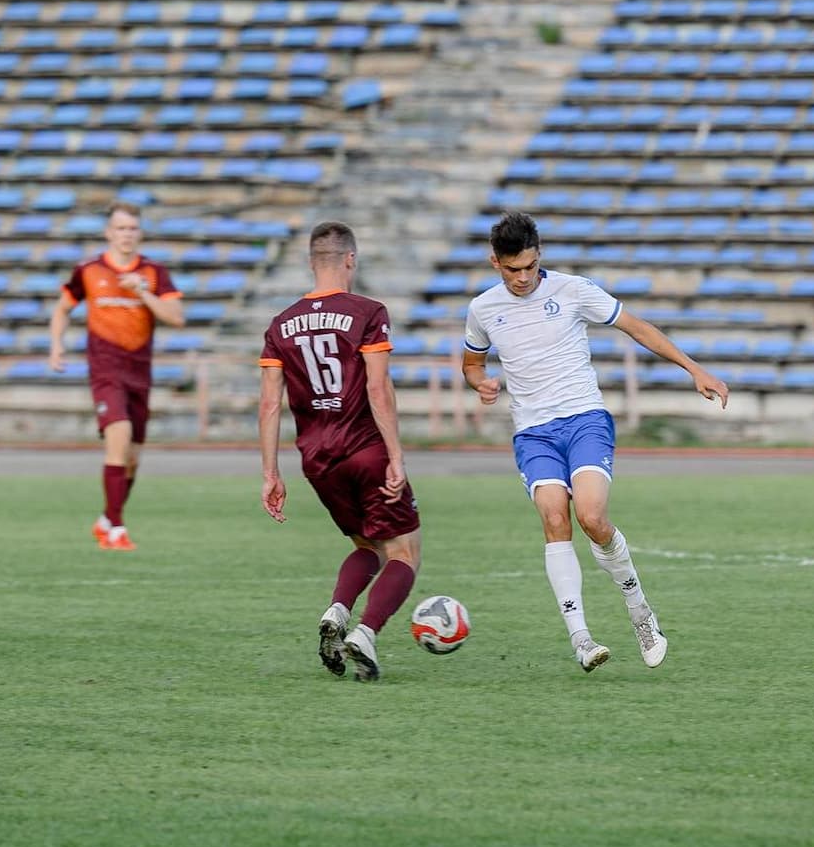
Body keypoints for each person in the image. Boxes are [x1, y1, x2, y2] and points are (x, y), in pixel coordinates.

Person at [460, 212, 729, 672]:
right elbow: (472, 363)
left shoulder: (572, 290)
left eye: (528, 266)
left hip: (584, 419)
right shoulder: (483, 309)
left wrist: (694, 368)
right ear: (494, 263)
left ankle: (640, 610)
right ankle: (581, 638)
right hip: (533, 432)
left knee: (591, 517)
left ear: (539, 255)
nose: (522, 277)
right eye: (512, 270)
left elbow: (637, 327)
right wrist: (480, 382)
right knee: (553, 517)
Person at [258, 221, 420, 682]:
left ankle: (337, 610)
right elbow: (377, 387)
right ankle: (366, 631)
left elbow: (270, 403)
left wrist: (271, 472)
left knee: (366, 544)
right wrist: (396, 456)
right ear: (351, 259)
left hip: (317, 458)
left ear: (311, 262)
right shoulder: (368, 312)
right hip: (365, 448)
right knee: (405, 553)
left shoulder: (280, 324)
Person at [49, 201, 184, 552]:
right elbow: (62, 309)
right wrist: (56, 346)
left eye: (132, 228)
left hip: (140, 372)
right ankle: (116, 530)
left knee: (134, 456)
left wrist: (142, 292)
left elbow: (176, 316)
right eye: (120, 228)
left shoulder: (154, 273)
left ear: (139, 233)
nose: (126, 234)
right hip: (106, 369)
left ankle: (108, 518)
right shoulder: (89, 270)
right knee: (119, 437)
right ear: (109, 232)